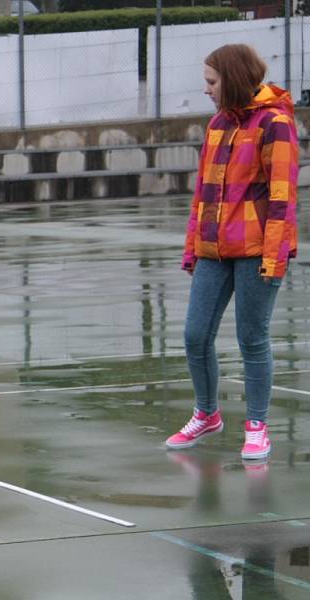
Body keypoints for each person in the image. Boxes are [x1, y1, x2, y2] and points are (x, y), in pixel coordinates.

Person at [166, 44, 298, 460]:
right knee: (195, 335)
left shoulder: (275, 124)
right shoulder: (218, 124)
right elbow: (202, 194)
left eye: (211, 81)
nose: (206, 90)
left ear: (233, 79)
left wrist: (275, 258)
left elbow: (282, 197)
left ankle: (257, 425)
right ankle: (207, 413)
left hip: (258, 250)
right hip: (213, 249)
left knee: (251, 338)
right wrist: (193, 247)